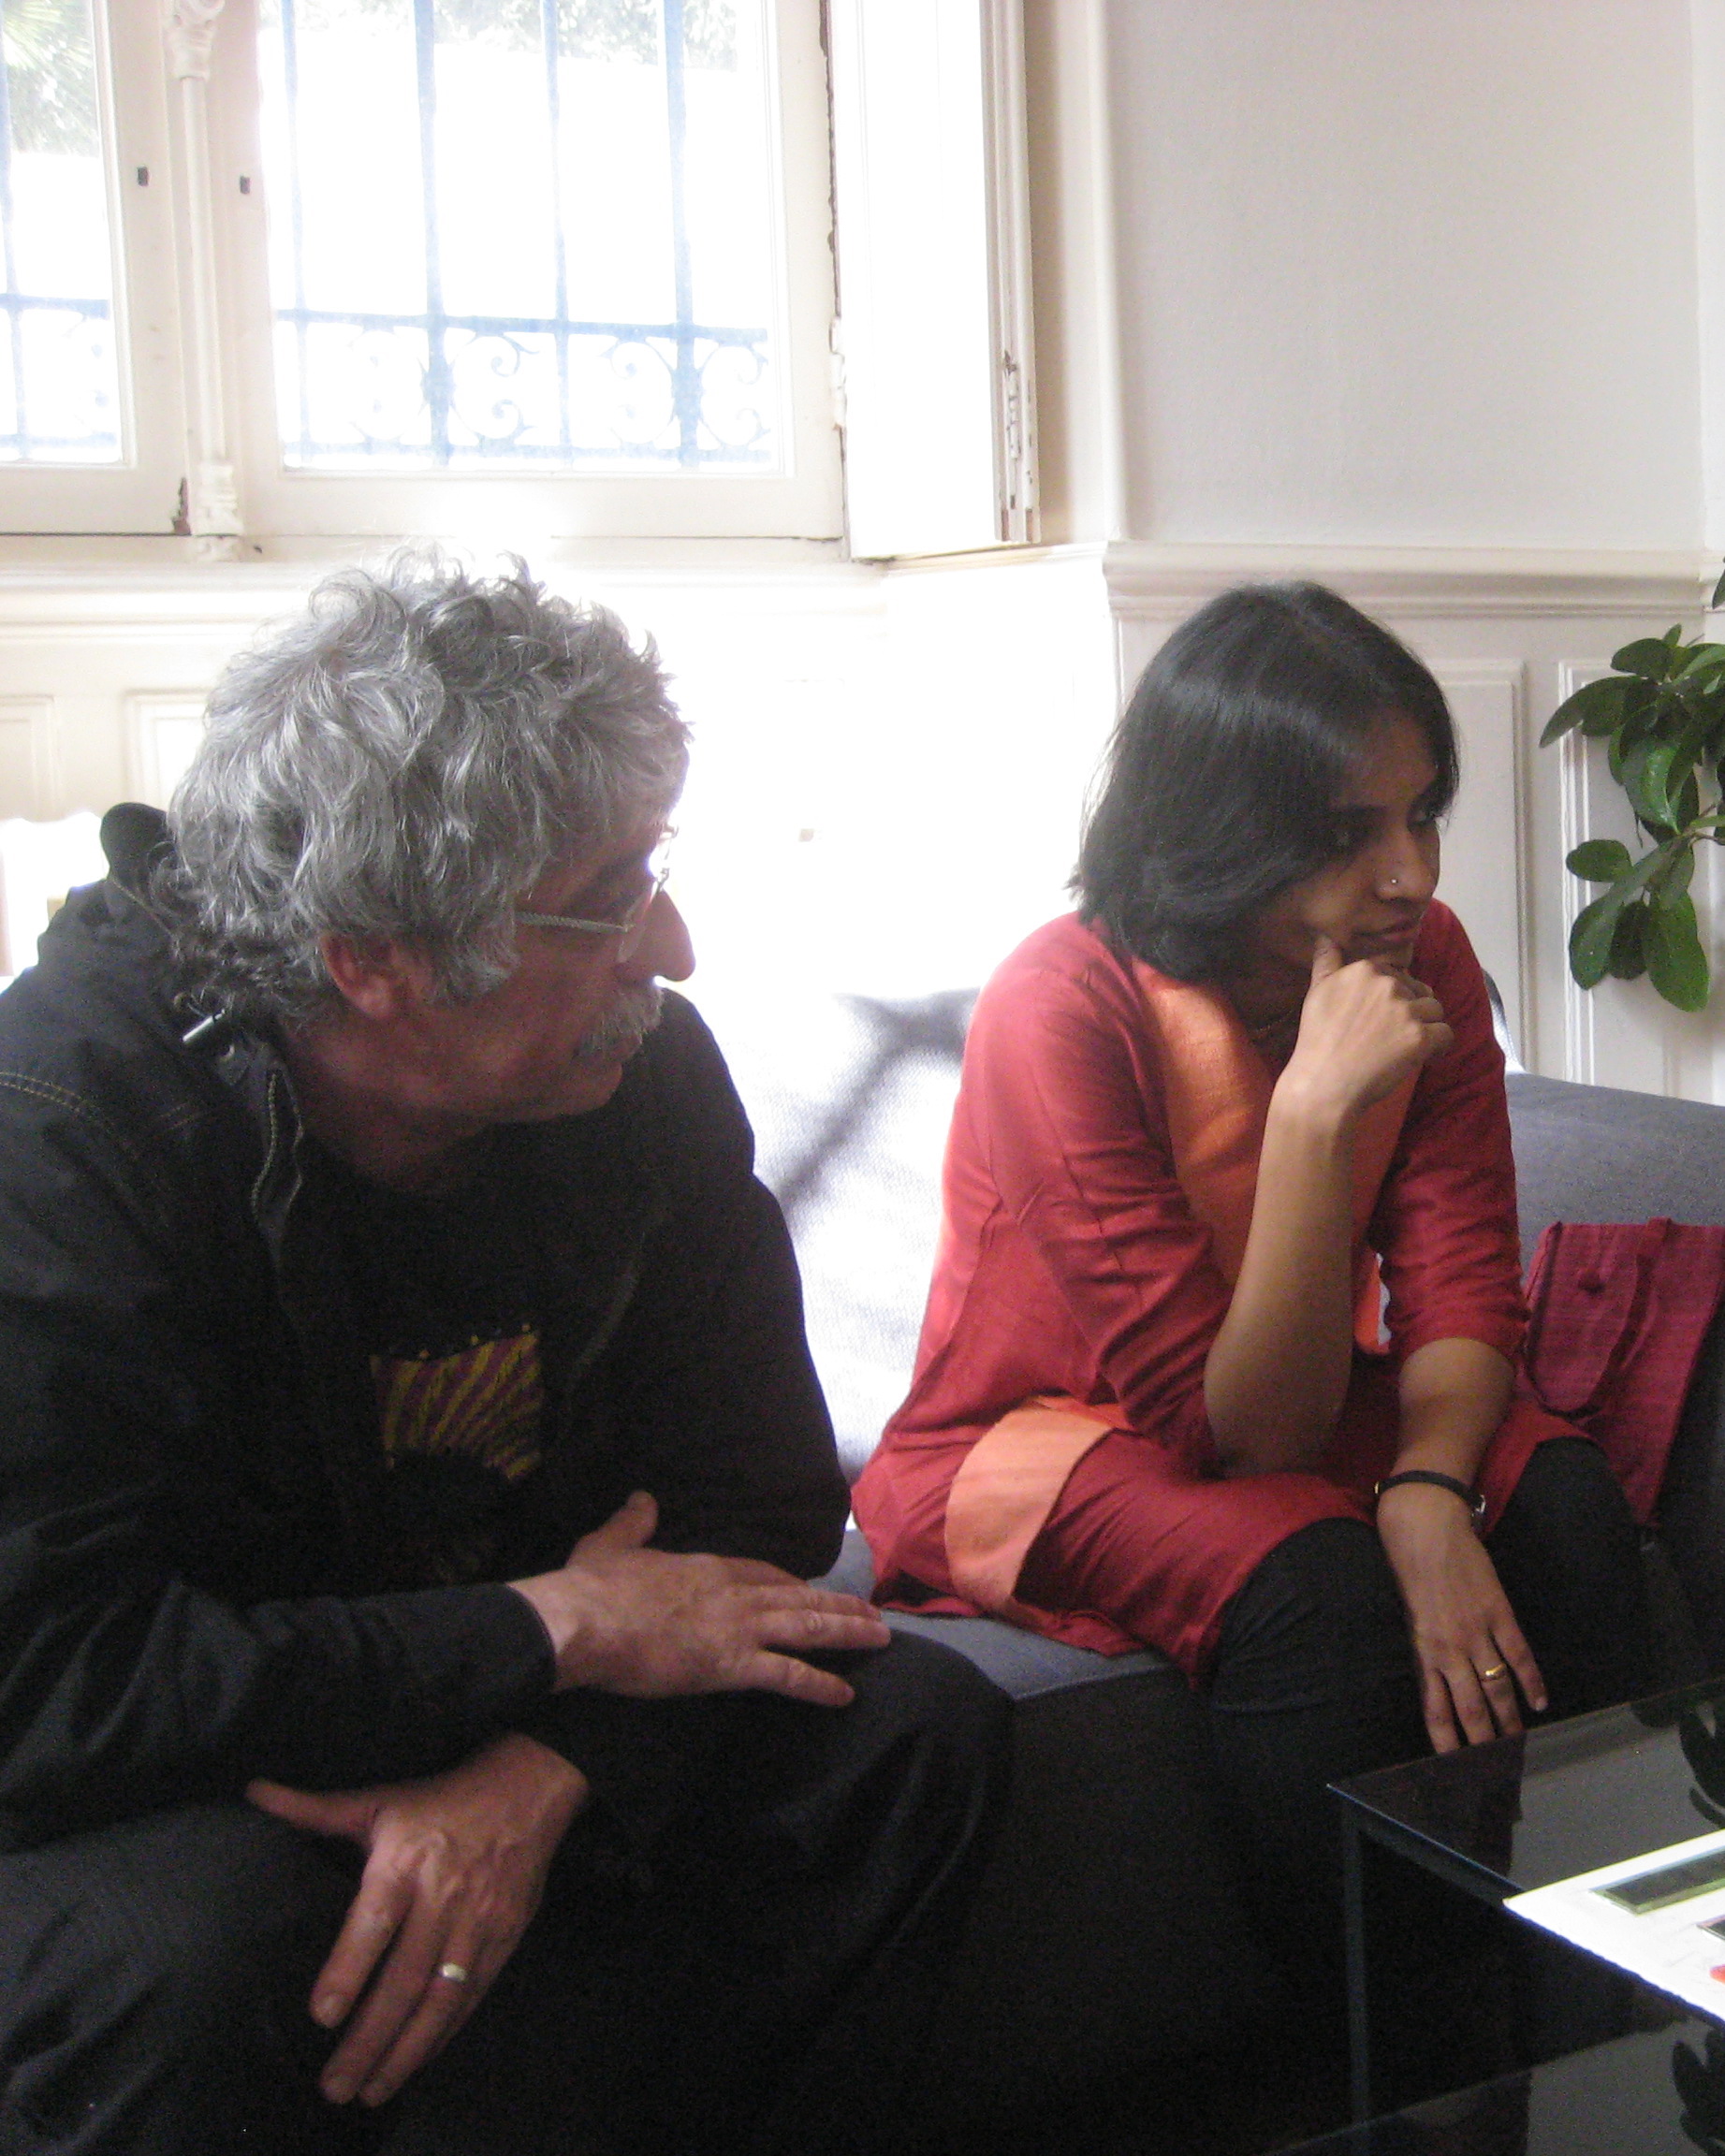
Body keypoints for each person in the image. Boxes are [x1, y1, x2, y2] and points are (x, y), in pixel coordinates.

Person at [0, 556, 1008, 2156]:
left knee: (906, 1732)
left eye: (654, 870)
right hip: (189, 1776)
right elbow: (57, 1682)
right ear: (373, 958)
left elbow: (757, 1497)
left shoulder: (637, 1075)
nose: (672, 947)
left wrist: (546, 1759)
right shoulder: (64, 1130)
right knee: (203, 1954)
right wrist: (550, 1629)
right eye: (606, 899)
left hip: (490, 1695)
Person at [852, 580, 1652, 1991]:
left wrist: (1430, 1488)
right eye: (1347, 835)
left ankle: (1621, 2025)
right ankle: (1393, 2067)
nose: (1407, 875)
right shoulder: (1064, 1003)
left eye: (1422, 815)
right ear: (1221, 833)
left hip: (1292, 1390)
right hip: (1033, 1439)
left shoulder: (1426, 957)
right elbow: (1245, 1439)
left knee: (1568, 1506)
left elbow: (1466, 1290)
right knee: (1312, 1581)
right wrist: (1311, 1118)